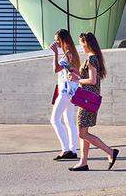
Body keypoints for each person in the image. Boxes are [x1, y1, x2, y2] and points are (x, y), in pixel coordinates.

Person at [68, 32, 119, 171]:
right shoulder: (93, 58)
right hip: (88, 99)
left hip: (87, 100)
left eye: (81, 43)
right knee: (84, 131)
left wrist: (76, 80)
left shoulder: (91, 59)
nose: (80, 46)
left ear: (87, 43)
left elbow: (92, 80)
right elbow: (90, 79)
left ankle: (110, 152)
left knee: (82, 133)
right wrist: (75, 74)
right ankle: (83, 162)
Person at [49, 29, 81, 161]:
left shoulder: (68, 54)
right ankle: (72, 150)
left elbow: (56, 69)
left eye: (57, 40)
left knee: (54, 119)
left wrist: (55, 54)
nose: (56, 42)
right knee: (69, 122)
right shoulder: (71, 53)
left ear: (63, 40)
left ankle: (66, 149)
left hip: (65, 91)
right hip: (71, 91)